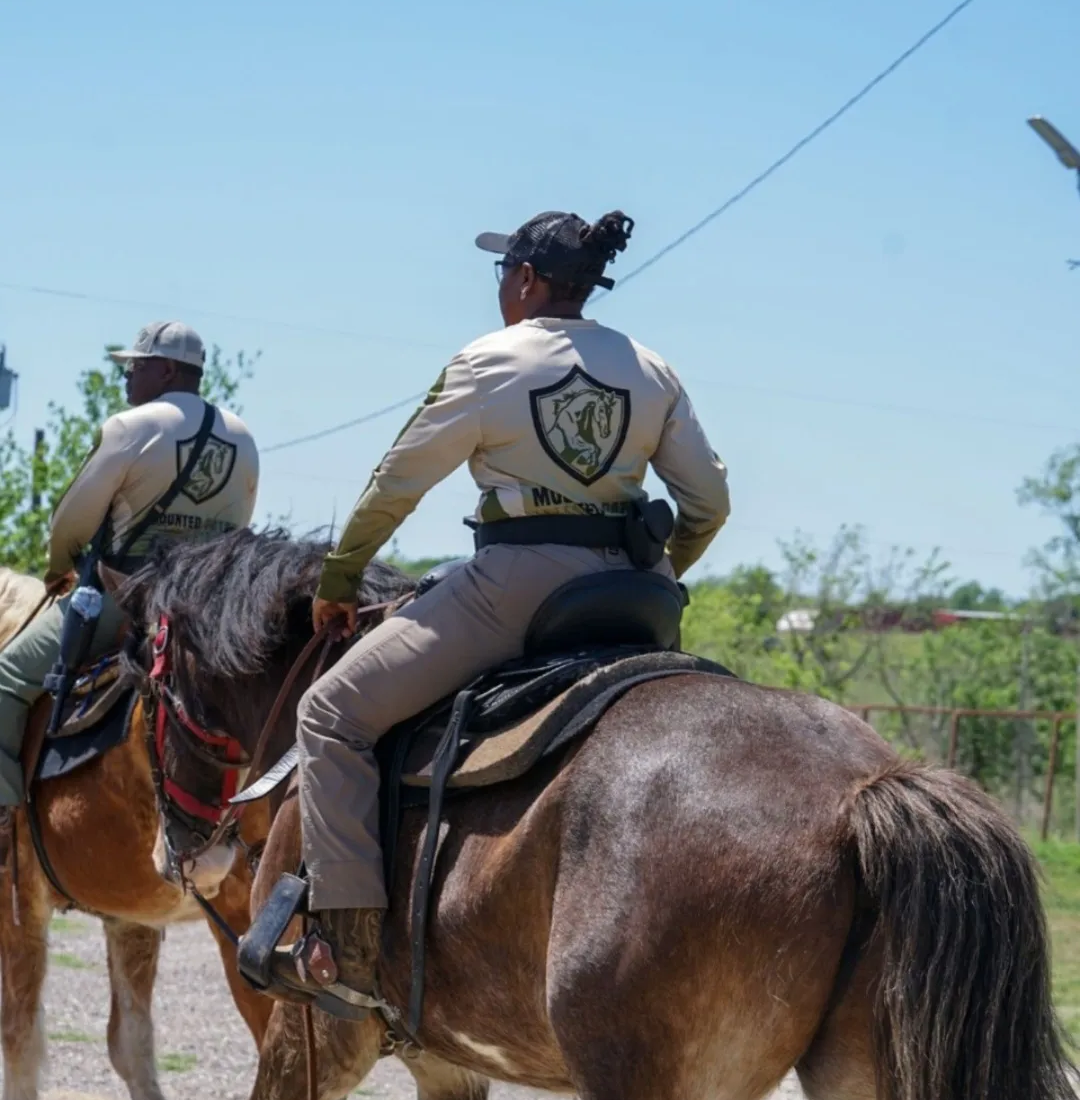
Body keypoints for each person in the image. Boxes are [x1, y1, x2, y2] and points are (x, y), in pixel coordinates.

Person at [275, 209, 731, 1004]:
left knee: (331, 713)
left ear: (523, 280)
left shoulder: (488, 360)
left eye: (501, 276)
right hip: (639, 591)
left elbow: (398, 483)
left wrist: (342, 578)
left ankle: (345, 942)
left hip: (515, 585)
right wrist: (658, 573)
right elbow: (710, 502)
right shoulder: (652, 368)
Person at [0, 320, 259, 858]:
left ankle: (4, 824)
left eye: (135, 367)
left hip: (127, 602)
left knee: (5, 678)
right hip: (211, 609)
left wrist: (58, 570)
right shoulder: (242, 434)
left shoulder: (131, 427)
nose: (126, 378)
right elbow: (238, 527)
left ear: (165, 370)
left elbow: (71, 523)